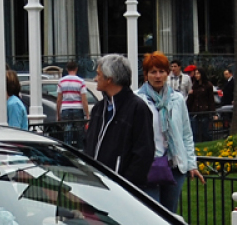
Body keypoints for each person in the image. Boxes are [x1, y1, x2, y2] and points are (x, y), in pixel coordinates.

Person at [137, 52, 204, 210]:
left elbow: (186, 134)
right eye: (153, 72)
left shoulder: (177, 99)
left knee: (170, 215)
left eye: (162, 71)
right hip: (149, 166)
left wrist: (191, 164)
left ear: (167, 73)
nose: (158, 76)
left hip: (174, 165)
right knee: (153, 214)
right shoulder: (138, 100)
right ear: (146, 75)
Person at [84, 53, 154, 186]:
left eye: (98, 74)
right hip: (96, 186)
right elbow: (88, 143)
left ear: (109, 79)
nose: (95, 79)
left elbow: (143, 154)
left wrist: (126, 185)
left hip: (122, 190)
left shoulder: (137, 109)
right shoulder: (99, 108)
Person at [185, 65, 214, 143]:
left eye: (198, 73)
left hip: (204, 110)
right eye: (196, 73)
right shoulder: (194, 85)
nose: (196, 75)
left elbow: (211, 99)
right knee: (195, 132)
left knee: (205, 132)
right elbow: (191, 100)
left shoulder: (208, 85)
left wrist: (213, 112)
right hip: (195, 110)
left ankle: (208, 143)